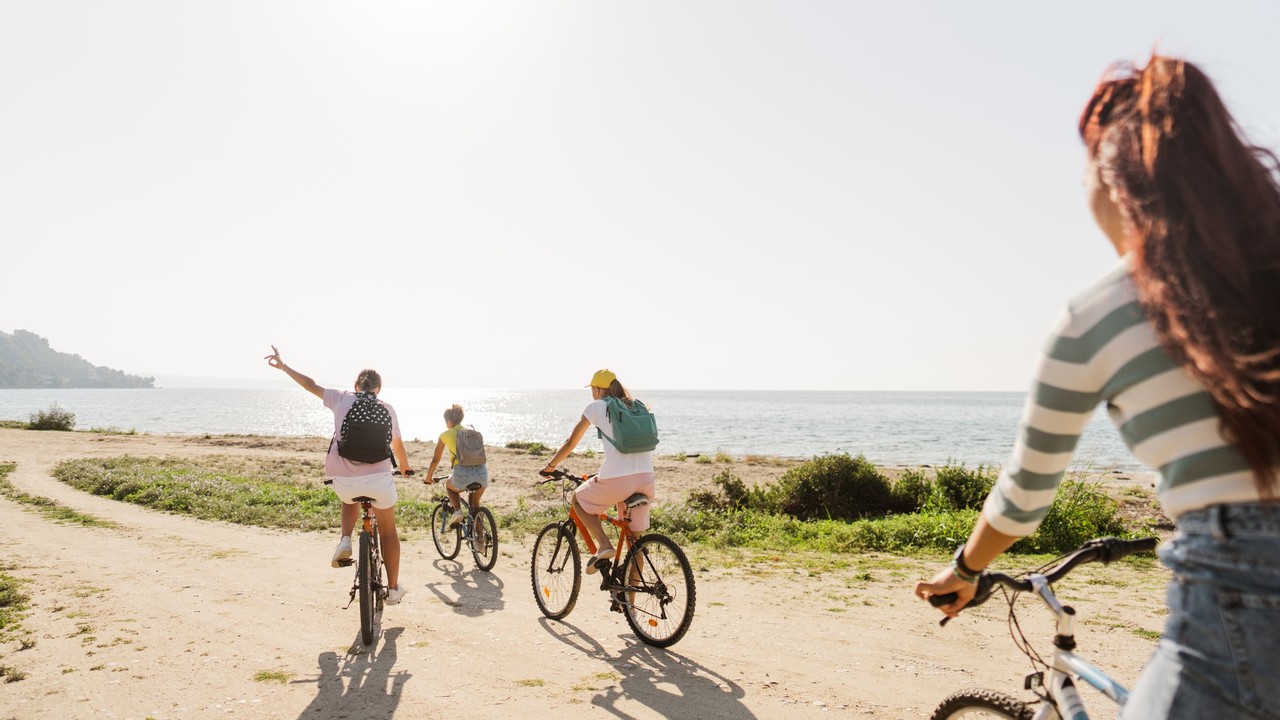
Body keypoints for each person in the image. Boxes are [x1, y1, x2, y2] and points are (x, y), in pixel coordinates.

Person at [913, 55, 1280, 719]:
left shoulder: (1100, 316)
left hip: (1240, 594)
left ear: (1114, 178)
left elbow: (1024, 497)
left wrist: (965, 570)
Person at [265, 346, 411, 605]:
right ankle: (394, 589)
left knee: (349, 498)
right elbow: (397, 446)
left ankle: (345, 539)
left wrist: (284, 366)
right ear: (378, 389)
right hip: (379, 480)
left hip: (343, 480)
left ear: (356, 385)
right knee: (388, 531)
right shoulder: (386, 407)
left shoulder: (341, 397)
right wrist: (405, 467)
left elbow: (310, 384)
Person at [541, 369, 656, 574]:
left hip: (617, 480)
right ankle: (629, 604)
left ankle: (604, 545)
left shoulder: (596, 406)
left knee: (578, 499)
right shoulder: (634, 406)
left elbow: (570, 443)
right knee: (635, 543)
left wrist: (550, 466)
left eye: (592, 389)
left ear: (596, 389)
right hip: (647, 478)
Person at [423, 404, 489, 528]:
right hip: (482, 473)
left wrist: (428, 477)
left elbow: (435, 460)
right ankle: (480, 541)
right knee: (475, 507)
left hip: (462, 474)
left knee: (449, 486)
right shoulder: (471, 433)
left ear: (448, 421)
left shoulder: (445, 435)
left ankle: (458, 510)